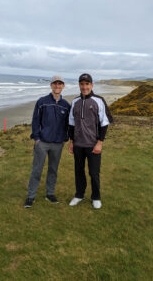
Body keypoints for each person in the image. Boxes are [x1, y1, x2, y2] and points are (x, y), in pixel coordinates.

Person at [68, 73, 113, 209]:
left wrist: (100, 142)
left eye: (87, 84)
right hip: (78, 144)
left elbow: (104, 123)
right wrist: (71, 142)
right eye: (82, 84)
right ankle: (79, 195)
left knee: (94, 173)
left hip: (93, 145)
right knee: (78, 171)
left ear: (92, 85)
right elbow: (71, 124)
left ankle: (96, 197)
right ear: (79, 85)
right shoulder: (75, 102)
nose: (84, 87)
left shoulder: (99, 100)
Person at [24, 76, 70, 208]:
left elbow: (68, 124)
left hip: (57, 144)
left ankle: (50, 194)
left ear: (63, 86)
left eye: (60, 84)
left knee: (53, 170)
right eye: (55, 84)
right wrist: (37, 138)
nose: (57, 86)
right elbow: (35, 121)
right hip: (42, 143)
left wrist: (64, 139)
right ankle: (30, 196)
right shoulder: (42, 102)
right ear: (51, 86)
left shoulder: (66, 105)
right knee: (36, 170)